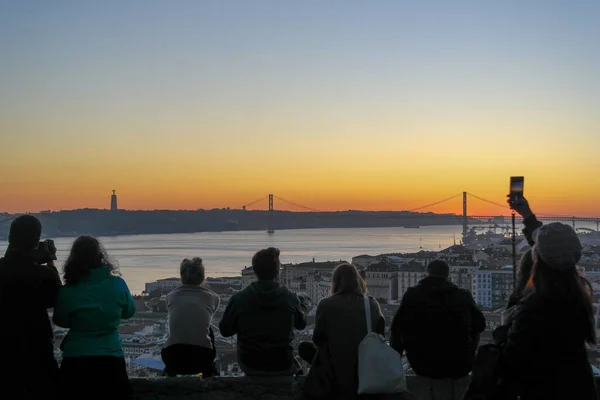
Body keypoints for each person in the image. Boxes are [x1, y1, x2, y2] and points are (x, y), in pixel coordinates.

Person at [502, 223, 597, 400]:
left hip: (544, 392)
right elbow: (555, 250)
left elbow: (514, 360)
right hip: (581, 389)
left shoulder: (534, 306)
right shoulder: (578, 295)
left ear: (537, 257)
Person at [53, 236, 136, 400]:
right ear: (101, 257)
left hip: (76, 359)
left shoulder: (68, 291)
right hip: (110, 357)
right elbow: (129, 312)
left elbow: (60, 320)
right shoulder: (117, 284)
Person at [390, 260, 486, 400]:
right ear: (448, 275)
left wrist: (395, 360)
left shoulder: (413, 295)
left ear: (427, 274)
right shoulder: (462, 295)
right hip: (460, 363)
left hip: (422, 363)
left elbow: (397, 328)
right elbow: (480, 325)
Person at [298, 263, 386, 399]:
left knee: (304, 348)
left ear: (335, 282)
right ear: (358, 281)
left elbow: (318, 340)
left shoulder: (325, 304)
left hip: (335, 368)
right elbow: (381, 335)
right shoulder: (371, 303)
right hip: (364, 366)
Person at [219, 247, 310, 376]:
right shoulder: (290, 298)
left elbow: (225, 330)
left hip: (250, 362)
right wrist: (304, 306)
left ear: (255, 271)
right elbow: (301, 325)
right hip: (281, 362)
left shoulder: (239, 299)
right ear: (277, 272)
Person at [0, 215, 62, 400]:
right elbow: (56, 298)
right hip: (37, 348)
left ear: (11, 238)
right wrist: (49, 262)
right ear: (36, 240)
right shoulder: (42, 274)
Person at [162, 257, 221, 377]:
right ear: (203, 277)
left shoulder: (170, 296)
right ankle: (209, 370)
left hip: (173, 358)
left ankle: (169, 373)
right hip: (202, 358)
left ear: (181, 276)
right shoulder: (213, 298)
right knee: (207, 328)